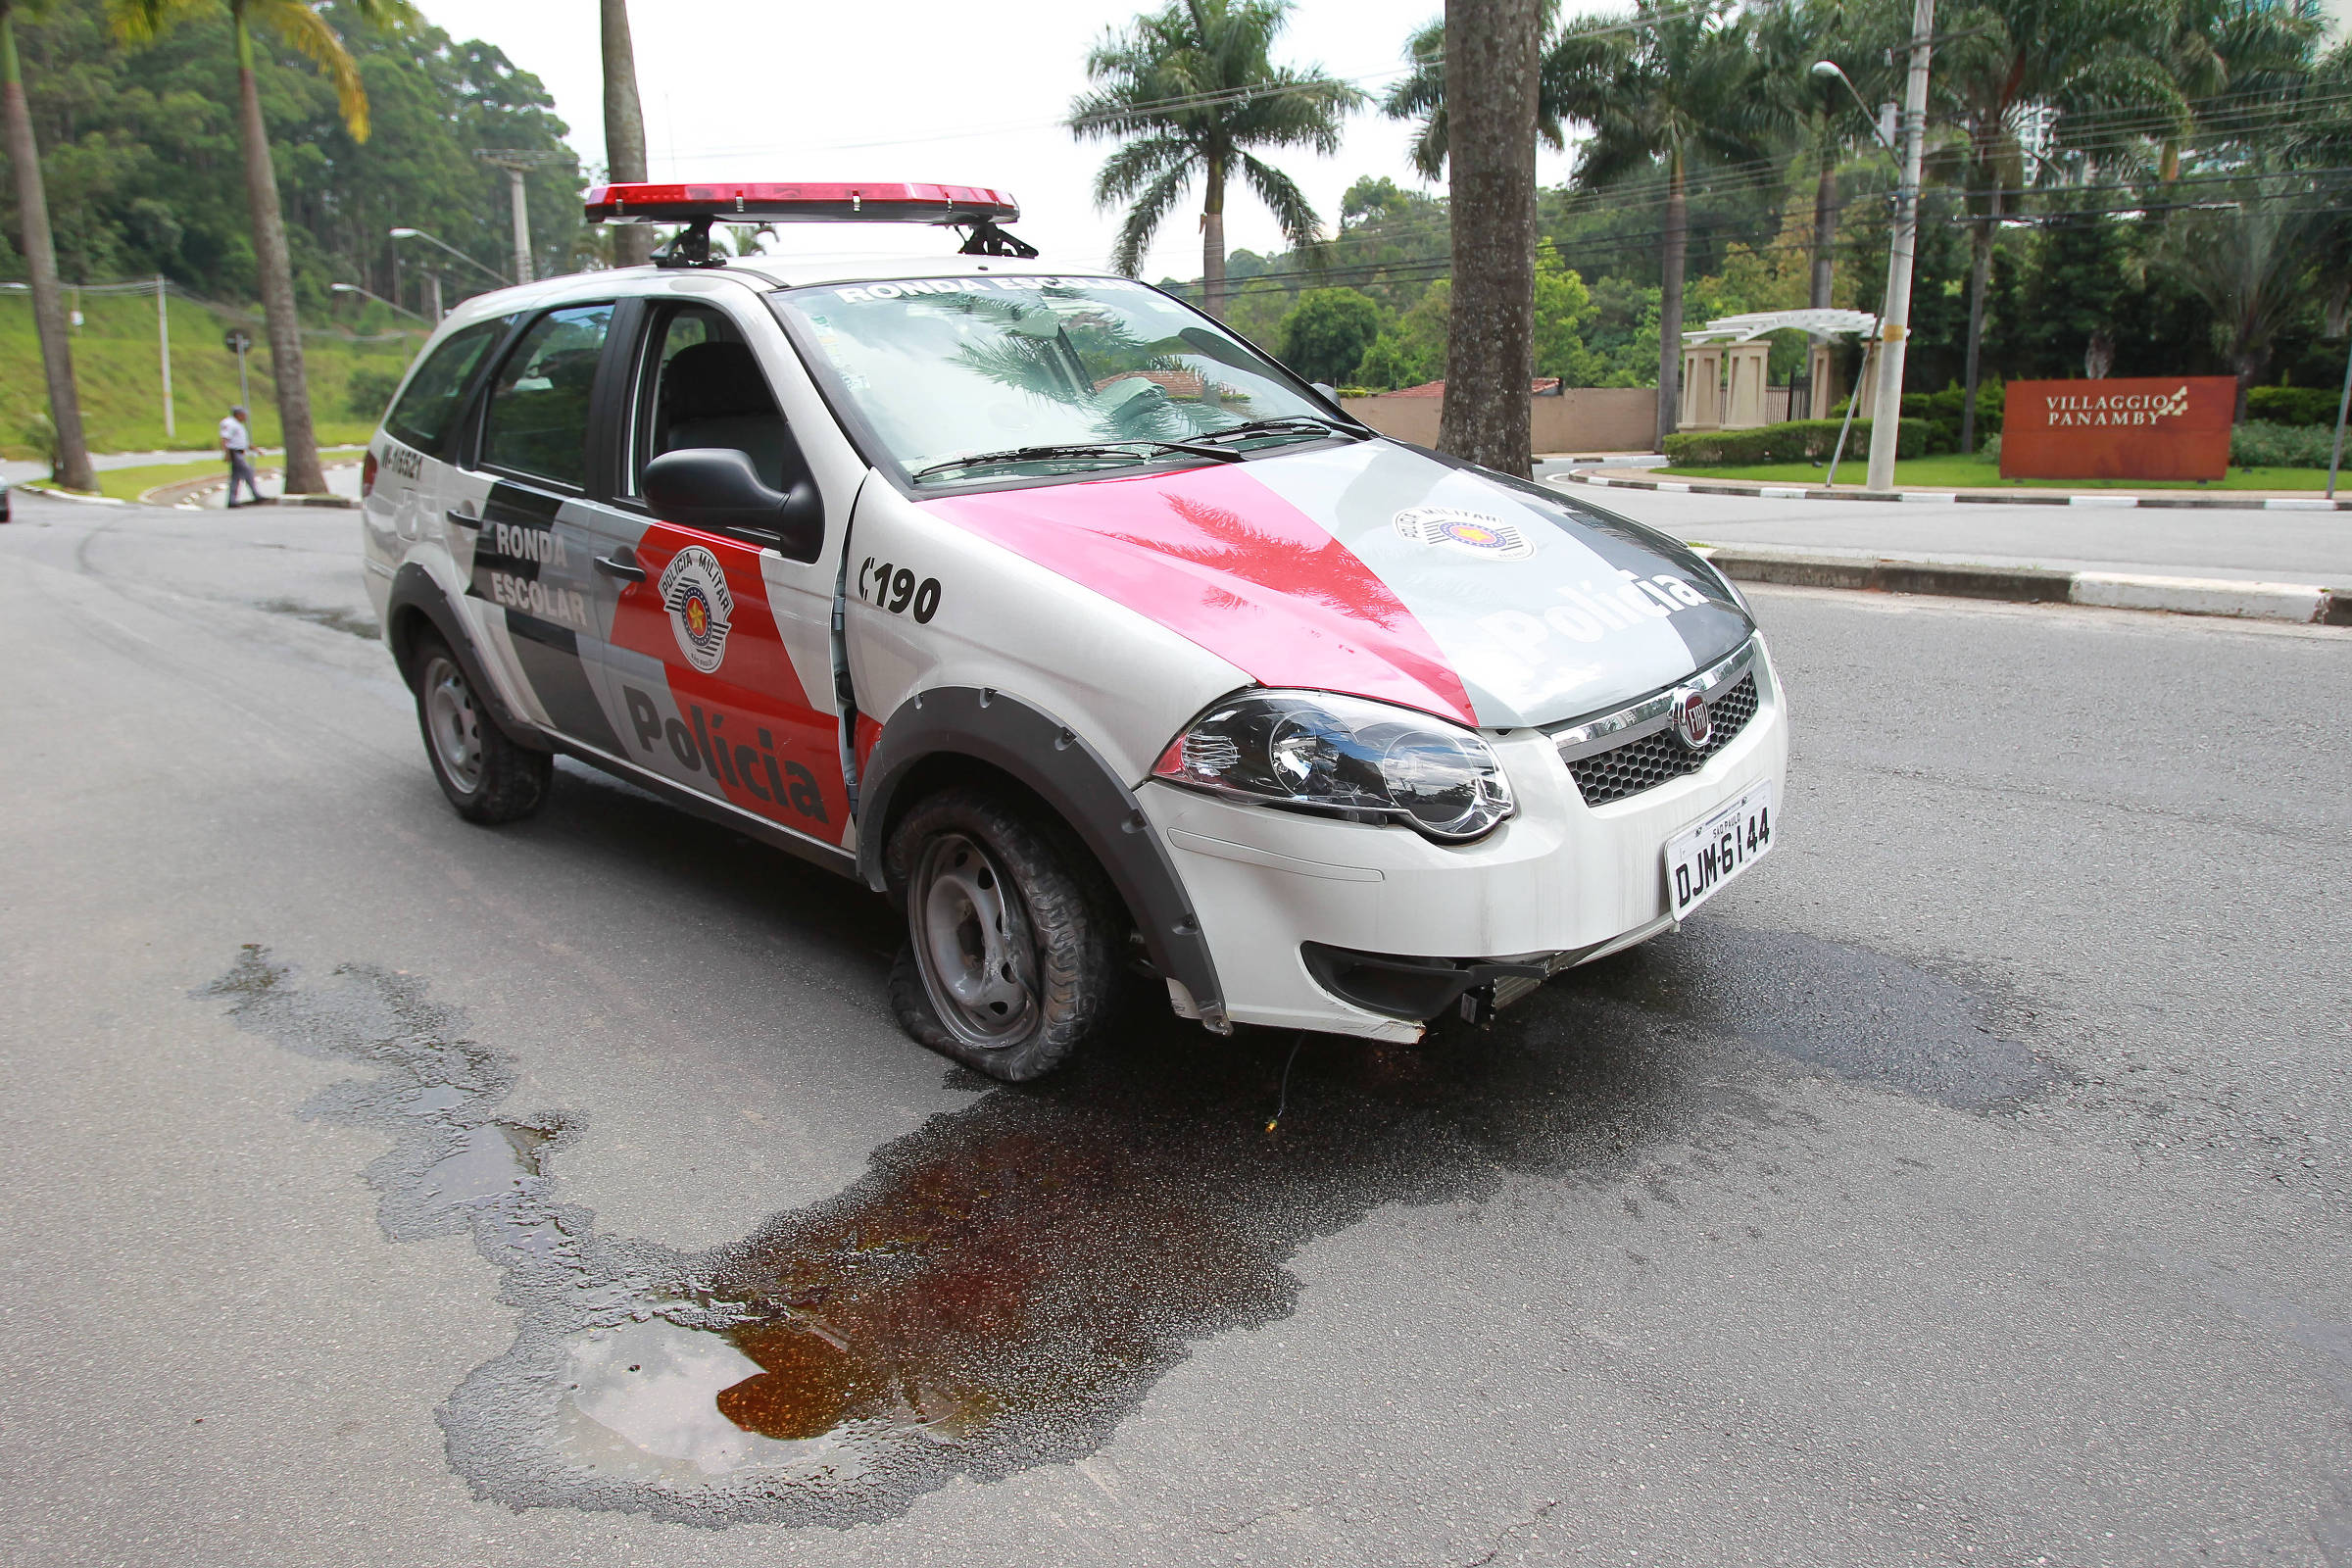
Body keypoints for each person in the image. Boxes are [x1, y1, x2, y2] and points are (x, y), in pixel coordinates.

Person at [220, 405, 263, 508]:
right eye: (244, 415)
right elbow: (225, 439)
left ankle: (232, 501)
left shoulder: (238, 425)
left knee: (236, 478)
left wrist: (255, 449)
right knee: (248, 472)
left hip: (239, 452)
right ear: (238, 415)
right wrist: (226, 453)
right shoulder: (230, 424)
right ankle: (256, 495)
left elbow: (241, 441)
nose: (245, 417)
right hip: (234, 453)